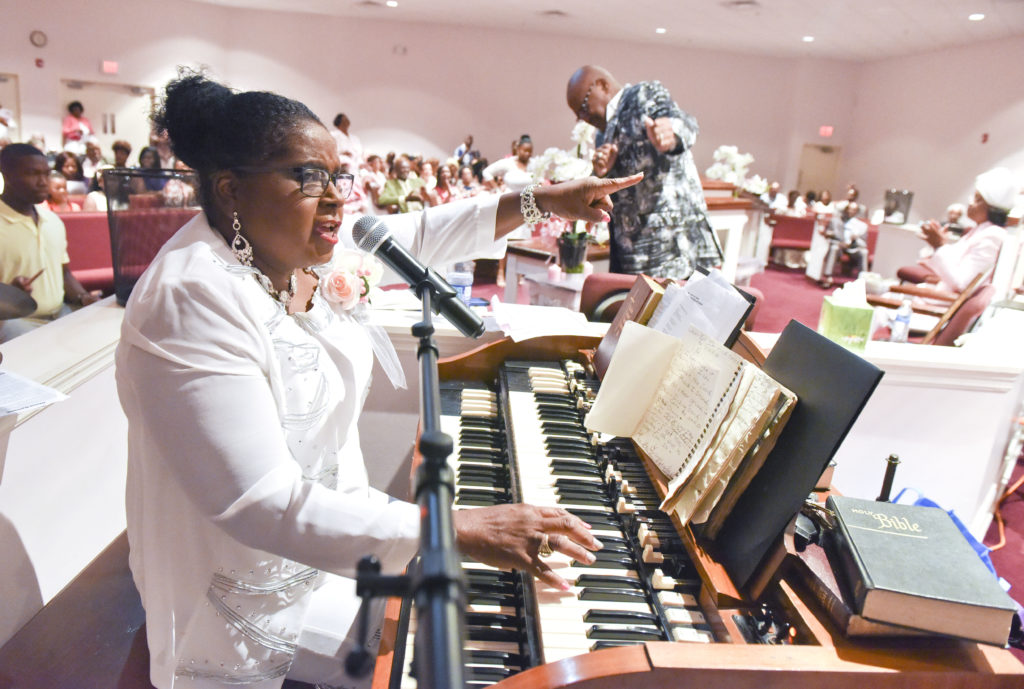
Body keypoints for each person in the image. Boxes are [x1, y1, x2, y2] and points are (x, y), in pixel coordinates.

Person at [114, 71, 638, 689]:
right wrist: (457, 527)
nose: (336, 197)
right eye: (307, 177)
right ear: (231, 190)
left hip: (333, 542)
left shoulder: (284, 249)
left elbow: (415, 235)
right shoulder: (192, 296)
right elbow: (256, 503)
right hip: (243, 589)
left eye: (337, 176)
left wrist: (542, 200)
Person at [566, 65, 722, 279]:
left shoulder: (642, 95)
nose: (583, 117)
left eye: (583, 107)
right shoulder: (602, 135)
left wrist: (671, 133)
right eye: (577, 115)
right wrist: (601, 173)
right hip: (630, 256)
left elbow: (683, 122)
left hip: (670, 250)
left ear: (602, 85)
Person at [0, 144, 100, 343]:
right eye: (33, 174)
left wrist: (82, 297)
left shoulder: (53, 221)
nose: (43, 182)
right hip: (14, 322)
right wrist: (8, 296)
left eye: (46, 174)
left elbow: (64, 273)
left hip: (60, 314)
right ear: (7, 174)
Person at [897, 167, 1018, 292]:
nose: (970, 203)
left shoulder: (992, 236)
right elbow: (952, 267)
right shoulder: (979, 231)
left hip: (940, 305)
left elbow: (963, 285)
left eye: (977, 199)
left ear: (993, 208)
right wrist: (937, 245)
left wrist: (940, 246)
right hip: (938, 295)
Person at [819, 201, 868, 288]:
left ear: (856, 212)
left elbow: (864, 244)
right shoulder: (835, 221)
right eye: (849, 209)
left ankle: (863, 281)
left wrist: (855, 239)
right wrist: (829, 233)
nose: (851, 211)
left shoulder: (861, 225)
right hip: (839, 245)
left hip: (853, 247)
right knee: (834, 248)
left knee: (864, 252)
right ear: (845, 210)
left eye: (854, 210)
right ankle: (828, 277)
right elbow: (828, 233)